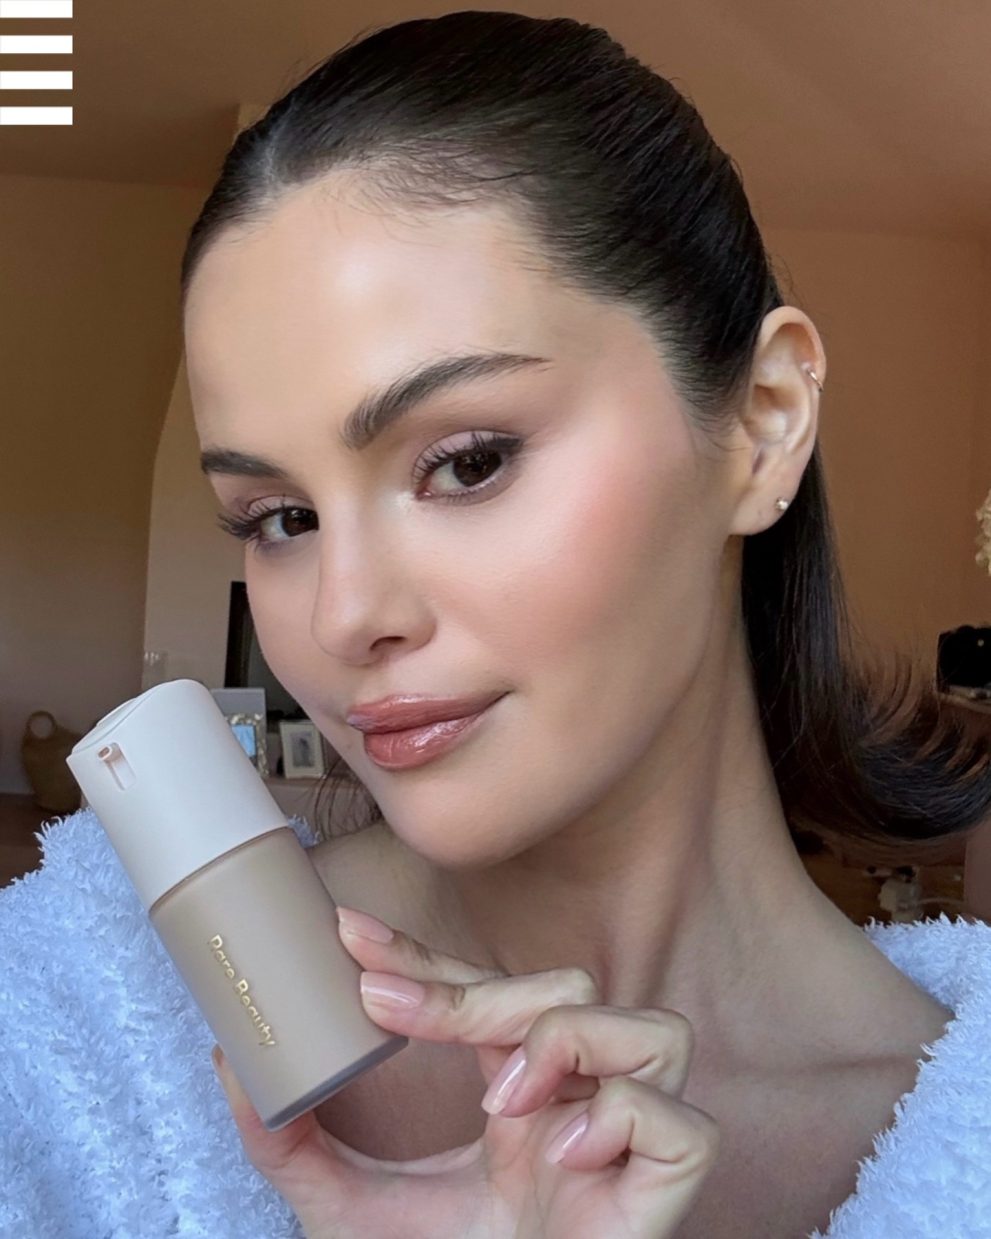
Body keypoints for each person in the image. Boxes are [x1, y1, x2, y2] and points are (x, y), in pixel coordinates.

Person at [3, 10, 990, 1239]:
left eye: (467, 461)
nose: (344, 616)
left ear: (762, 421)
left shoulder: (961, 1133)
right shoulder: (69, 1030)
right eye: (279, 518)